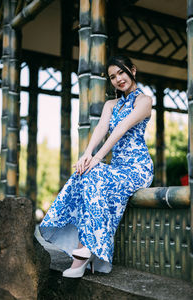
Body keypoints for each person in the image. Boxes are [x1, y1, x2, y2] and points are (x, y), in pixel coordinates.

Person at [39, 55, 154, 278]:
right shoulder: (111, 104)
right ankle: (83, 255)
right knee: (83, 174)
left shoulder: (144, 101)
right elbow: (102, 128)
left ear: (133, 70)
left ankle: (84, 254)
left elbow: (120, 128)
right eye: (113, 76)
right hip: (117, 166)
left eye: (121, 72)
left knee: (95, 171)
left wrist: (98, 158)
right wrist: (86, 155)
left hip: (137, 167)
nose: (118, 79)